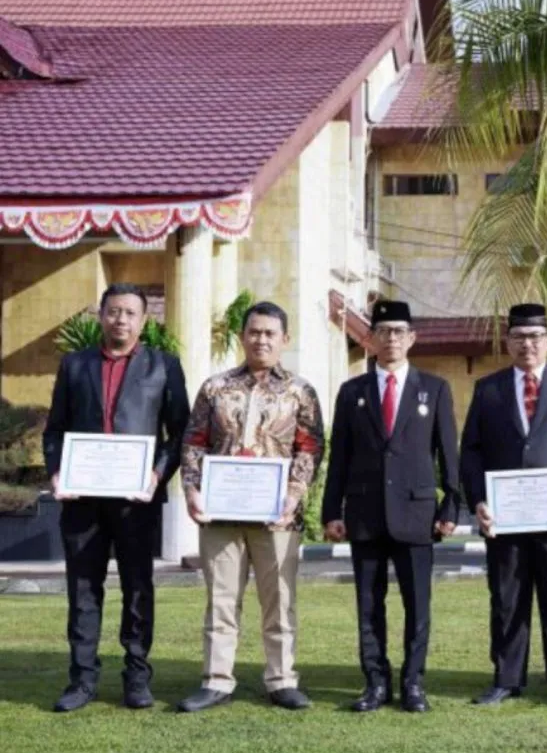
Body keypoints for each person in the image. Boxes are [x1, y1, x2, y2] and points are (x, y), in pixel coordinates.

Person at [42, 284, 190, 712]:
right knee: (83, 590)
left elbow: (179, 433)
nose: (120, 319)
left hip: (136, 502)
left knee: (138, 589)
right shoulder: (75, 364)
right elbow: (55, 430)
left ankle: (137, 677)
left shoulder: (164, 366)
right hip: (82, 500)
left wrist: (157, 474)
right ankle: (82, 679)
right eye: (113, 311)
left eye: (129, 313)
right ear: (101, 316)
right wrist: (57, 471)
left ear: (143, 320)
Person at [176, 302, 325, 713]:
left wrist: (294, 493)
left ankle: (282, 679)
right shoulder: (215, 388)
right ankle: (216, 680)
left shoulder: (300, 391)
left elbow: (310, 447)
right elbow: (194, 441)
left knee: (279, 601)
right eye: (254, 332)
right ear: (243, 336)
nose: (261, 340)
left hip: (278, 517)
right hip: (221, 515)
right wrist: (192, 489)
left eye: (270, 333)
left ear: (284, 339)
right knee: (221, 600)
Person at [461, 303, 547, 708]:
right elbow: (471, 452)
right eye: (520, 337)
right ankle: (507, 678)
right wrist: (478, 501)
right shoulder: (488, 389)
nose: (528, 344)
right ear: (508, 342)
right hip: (505, 519)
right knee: (507, 600)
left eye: (536, 337)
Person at [322, 300, 460, 714]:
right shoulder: (352, 392)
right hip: (365, 513)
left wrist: (451, 507)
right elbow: (339, 456)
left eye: (399, 331)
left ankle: (413, 683)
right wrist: (331, 511)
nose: (392, 339)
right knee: (369, 605)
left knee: (418, 605)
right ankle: (375, 683)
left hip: (417, 515)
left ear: (412, 338)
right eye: (383, 331)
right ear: (370, 339)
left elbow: (447, 454)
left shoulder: (434, 388)